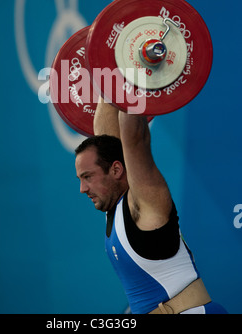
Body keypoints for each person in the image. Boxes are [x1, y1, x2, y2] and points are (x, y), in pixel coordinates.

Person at [75, 98, 228, 314]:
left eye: (88, 177)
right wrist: (108, 76)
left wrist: (135, 76)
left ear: (116, 171)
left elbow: (135, 140)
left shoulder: (145, 207)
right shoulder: (114, 209)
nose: (82, 188)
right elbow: (106, 137)